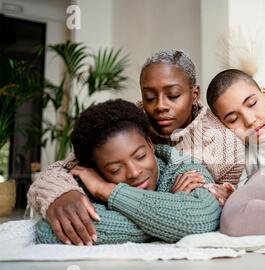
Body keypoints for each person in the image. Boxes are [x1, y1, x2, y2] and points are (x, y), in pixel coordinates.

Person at [28, 50, 243, 245]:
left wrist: (108, 191)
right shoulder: (128, 125)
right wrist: (63, 194)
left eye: (173, 96)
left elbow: (207, 214)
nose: (160, 106)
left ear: (194, 95)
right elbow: (63, 171)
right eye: (149, 97)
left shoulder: (220, 146)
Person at [35, 99, 221, 245]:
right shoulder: (84, 181)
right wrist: (171, 214)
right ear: (96, 170)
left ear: (150, 145)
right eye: (115, 169)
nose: (134, 172)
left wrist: (107, 190)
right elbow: (49, 230)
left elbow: (203, 217)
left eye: (140, 156)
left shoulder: (184, 167)